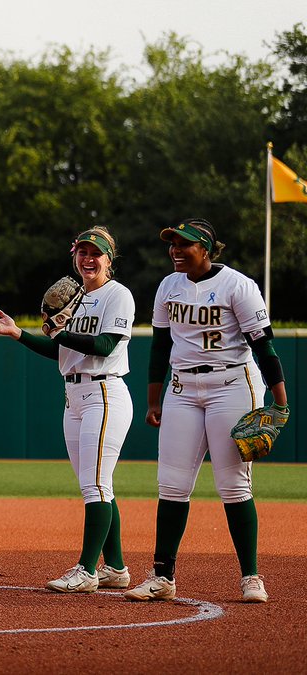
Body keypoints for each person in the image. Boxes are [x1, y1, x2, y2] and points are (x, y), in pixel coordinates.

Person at [124, 218, 289, 604]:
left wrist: (280, 402)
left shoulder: (238, 286)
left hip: (232, 384)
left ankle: (251, 576)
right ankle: (162, 576)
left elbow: (264, 346)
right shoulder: (169, 285)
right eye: (172, 244)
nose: (176, 251)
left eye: (185, 244)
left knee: (232, 485)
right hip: (182, 387)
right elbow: (160, 346)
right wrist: (153, 398)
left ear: (207, 249)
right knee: (172, 484)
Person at [0, 227, 135, 593]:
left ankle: (86, 570)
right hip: (74, 398)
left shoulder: (118, 295)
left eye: (95, 253)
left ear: (109, 259)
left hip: (105, 393)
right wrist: (19, 334)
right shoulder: (75, 299)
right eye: (82, 252)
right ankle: (115, 567)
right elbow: (60, 352)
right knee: (96, 486)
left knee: (95, 485)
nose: (88, 258)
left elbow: (104, 345)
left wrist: (58, 333)